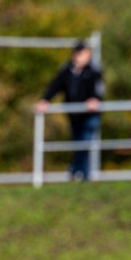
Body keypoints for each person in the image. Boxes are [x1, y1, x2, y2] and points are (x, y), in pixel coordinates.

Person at [35, 41, 104, 181]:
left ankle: (80, 173)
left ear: (88, 54)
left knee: (85, 141)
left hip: (90, 114)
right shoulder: (68, 69)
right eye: (77, 53)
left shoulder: (94, 69)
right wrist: (45, 100)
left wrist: (95, 99)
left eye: (82, 53)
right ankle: (78, 171)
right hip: (74, 114)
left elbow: (99, 88)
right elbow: (55, 85)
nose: (79, 56)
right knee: (78, 142)